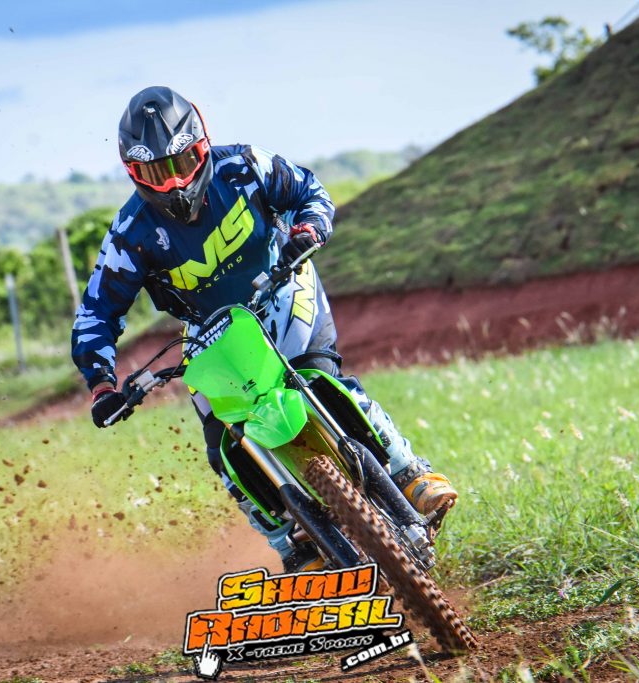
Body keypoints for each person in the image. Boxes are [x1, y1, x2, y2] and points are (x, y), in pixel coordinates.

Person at [71, 86, 457, 572]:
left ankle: (408, 472)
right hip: (211, 335)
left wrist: (309, 229)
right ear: (132, 172)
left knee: (322, 378)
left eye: (182, 163)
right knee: (223, 444)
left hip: (284, 289)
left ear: (202, 145)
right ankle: (288, 542)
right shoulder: (129, 234)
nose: (173, 183)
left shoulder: (246, 165)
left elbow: (309, 191)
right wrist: (102, 384)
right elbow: (96, 312)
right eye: (155, 173)